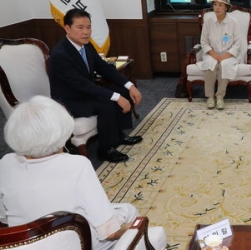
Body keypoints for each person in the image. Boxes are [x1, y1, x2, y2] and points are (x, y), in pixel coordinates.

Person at [0, 95, 167, 250]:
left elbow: (4, 218)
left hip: (23, 243)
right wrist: (132, 228)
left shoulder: (5, 163)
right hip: (77, 243)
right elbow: (109, 232)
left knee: (118, 211)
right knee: (129, 212)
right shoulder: (77, 165)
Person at [48, 8, 143, 163]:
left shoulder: (86, 45)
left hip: (85, 91)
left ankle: (118, 135)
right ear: (67, 28)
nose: (86, 32)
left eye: (88, 27)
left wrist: (129, 85)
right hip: (69, 100)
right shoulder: (61, 54)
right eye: (80, 27)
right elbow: (81, 84)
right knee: (107, 103)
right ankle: (106, 149)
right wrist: (116, 97)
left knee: (122, 91)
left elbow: (104, 68)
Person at [199, 0, 242, 110]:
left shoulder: (233, 22)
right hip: (211, 54)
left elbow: (238, 43)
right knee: (210, 64)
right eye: (215, 5)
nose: (217, 8)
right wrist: (214, 55)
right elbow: (203, 41)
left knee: (225, 65)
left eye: (220, 5)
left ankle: (220, 97)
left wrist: (225, 56)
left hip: (228, 55)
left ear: (226, 7)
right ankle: (210, 97)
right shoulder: (208, 21)